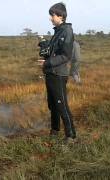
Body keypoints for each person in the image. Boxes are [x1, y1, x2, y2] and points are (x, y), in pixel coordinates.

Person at [37, 2, 76, 143]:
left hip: (59, 74)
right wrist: (44, 44)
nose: (50, 18)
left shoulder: (67, 31)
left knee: (61, 104)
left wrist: (47, 63)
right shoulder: (58, 31)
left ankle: (71, 136)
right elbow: (54, 50)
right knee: (52, 104)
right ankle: (54, 131)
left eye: (52, 15)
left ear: (60, 16)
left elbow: (66, 56)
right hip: (51, 73)